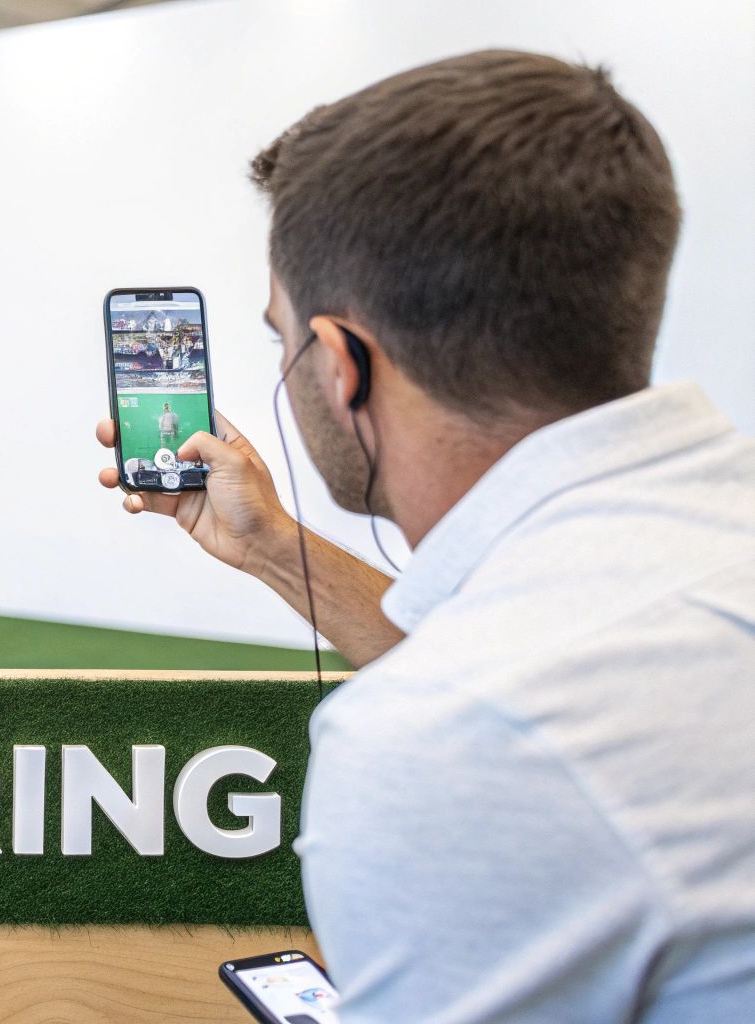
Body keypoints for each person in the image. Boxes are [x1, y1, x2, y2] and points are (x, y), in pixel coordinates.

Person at [96, 51, 754, 1020]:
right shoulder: (684, 554)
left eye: (281, 339)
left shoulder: (448, 738)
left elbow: (499, 704)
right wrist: (273, 544)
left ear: (339, 362)